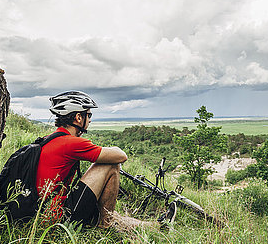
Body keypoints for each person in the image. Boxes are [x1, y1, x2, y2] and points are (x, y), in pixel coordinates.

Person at [38, 91, 176, 229]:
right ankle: (105, 225)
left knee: (110, 214)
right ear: (78, 117)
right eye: (89, 115)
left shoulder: (49, 139)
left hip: (45, 211)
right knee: (110, 165)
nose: (90, 119)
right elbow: (121, 156)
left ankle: (158, 227)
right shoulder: (71, 143)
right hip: (58, 217)